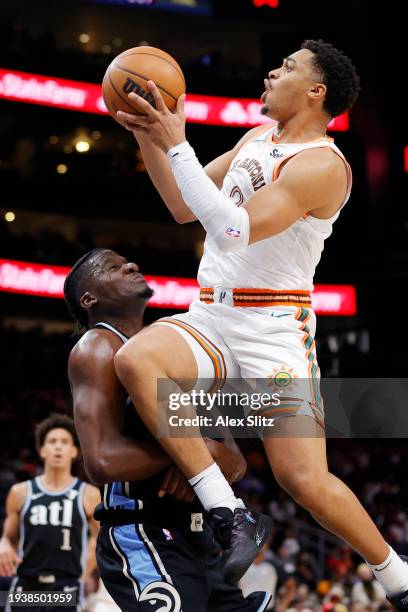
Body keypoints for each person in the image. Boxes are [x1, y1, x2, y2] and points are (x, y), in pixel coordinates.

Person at [112, 37, 408, 607]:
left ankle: (395, 574)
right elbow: (181, 202)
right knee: (136, 359)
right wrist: (151, 135)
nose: (272, 72)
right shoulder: (255, 138)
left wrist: (177, 143)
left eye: (288, 67)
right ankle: (228, 512)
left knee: (303, 481)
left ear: (317, 91)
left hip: (274, 330)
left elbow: (232, 229)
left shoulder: (325, 166)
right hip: (214, 313)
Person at [64, 248, 272, 612]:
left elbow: (234, 463)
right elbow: (101, 461)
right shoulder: (98, 348)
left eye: (129, 260)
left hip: (198, 532)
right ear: (88, 298)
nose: (132, 264)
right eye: (113, 267)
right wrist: (186, 455)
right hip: (141, 528)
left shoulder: (170, 351)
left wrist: (195, 455)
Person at [0, 414, 100, 611]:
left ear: (74, 451)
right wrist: (3, 544)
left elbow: (100, 539)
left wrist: (84, 573)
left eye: (64, 442)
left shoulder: (88, 494)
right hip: (26, 586)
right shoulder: (20, 492)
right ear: (42, 450)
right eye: (52, 441)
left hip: (65, 587)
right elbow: (9, 539)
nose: (57, 446)